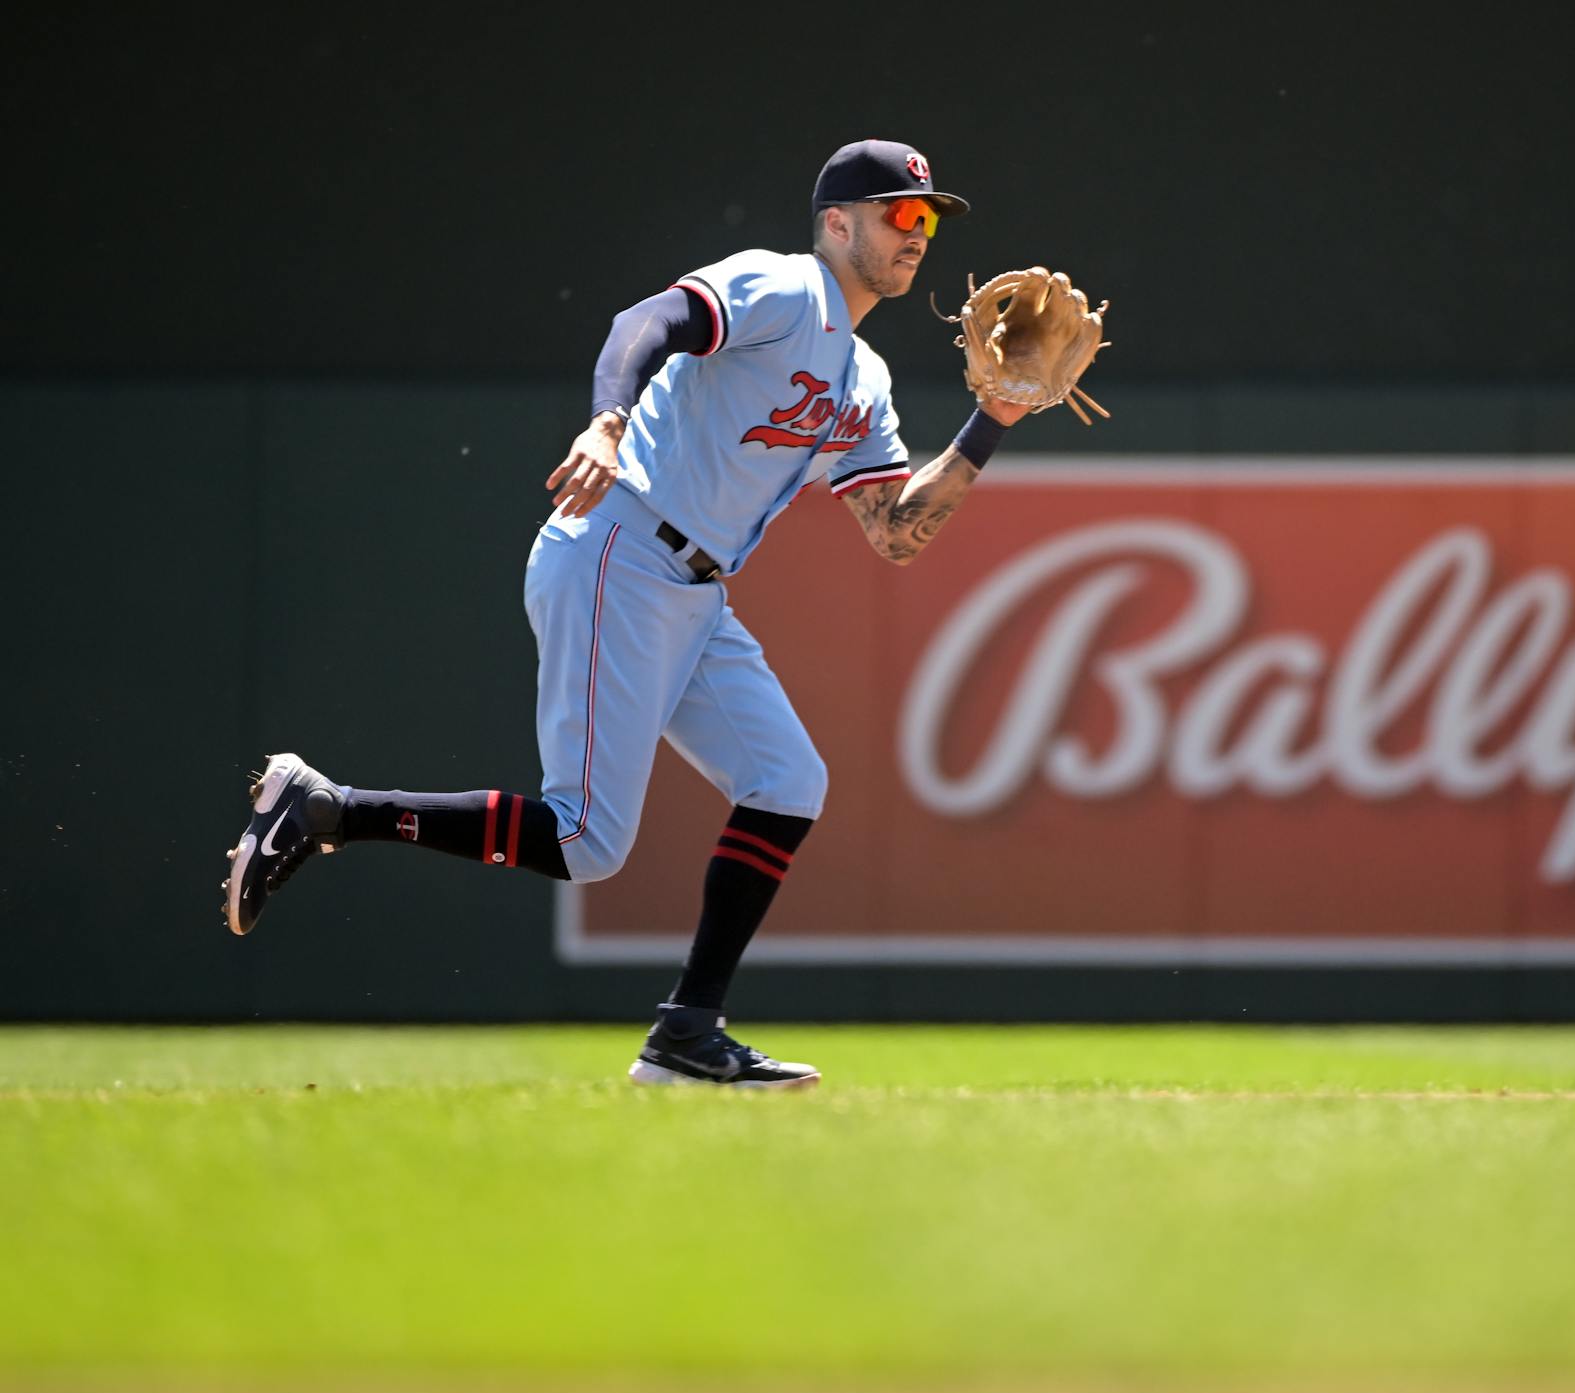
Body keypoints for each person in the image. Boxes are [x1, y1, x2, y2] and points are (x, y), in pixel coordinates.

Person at [223, 140, 1042, 1088]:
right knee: (585, 844)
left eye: (930, 219)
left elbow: (896, 534)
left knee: (786, 783)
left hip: (694, 591)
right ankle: (329, 810)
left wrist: (996, 420)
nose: (920, 233)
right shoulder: (784, 288)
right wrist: (608, 418)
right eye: (902, 214)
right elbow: (647, 319)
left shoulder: (864, 379)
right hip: (621, 545)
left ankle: (687, 1034)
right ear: (836, 224)